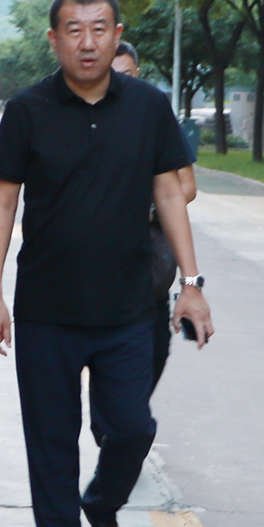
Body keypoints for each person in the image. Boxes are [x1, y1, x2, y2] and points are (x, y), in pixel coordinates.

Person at [0, 0, 212, 527]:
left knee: (132, 427)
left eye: (99, 28)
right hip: (46, 311)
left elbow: (170, 193)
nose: (87, 42)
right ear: (54, 39)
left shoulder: (148, 107)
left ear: (116, 36)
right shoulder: (27, 110)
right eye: (74, 30)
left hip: (128, 311)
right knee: (51, 446)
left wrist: (192, 286)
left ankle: (103, 505)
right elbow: (3, 202)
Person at [99, 39, 196, 432]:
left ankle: (120, 432)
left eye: (127, 74)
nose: (119, 82)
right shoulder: (78, 117)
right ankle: (112, 429)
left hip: (147, 272)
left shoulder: (153, 114)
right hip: (94, 275)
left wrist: (148, 208)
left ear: (138, 74)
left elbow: (185, 186)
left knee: (152, 360)